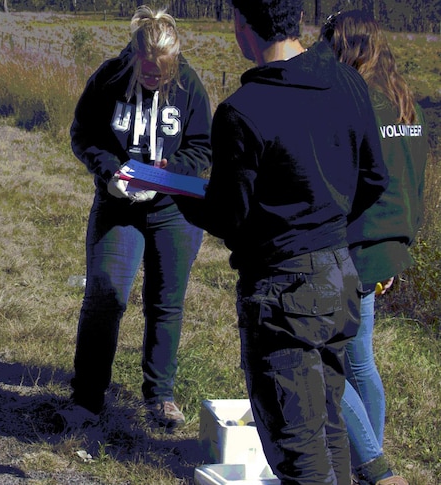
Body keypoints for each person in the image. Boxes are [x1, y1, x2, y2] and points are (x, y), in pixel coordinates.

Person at [169, 0, 388, 483]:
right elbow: (375, 177)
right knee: (329, 426)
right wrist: (326, 221)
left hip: (282, 293)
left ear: (243, 26)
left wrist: (177, 193)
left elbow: (228, 216)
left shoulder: (244, 111)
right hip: (339, 279)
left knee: (300, 451)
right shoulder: (347, 82)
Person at [61, 5, 212, 430]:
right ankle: (88, 398)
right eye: (148, 72)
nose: (155, 80)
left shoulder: (189, 86)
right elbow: (83, 134)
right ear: (135, 54)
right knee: (105, 296)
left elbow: (203, 147)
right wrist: (109, 172)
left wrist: (173, 171)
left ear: (174, 63)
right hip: (118, 205)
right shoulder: (108, 78)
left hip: (173, 211)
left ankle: (160, 396)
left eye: (163, 74)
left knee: (166, 303)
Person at [321, 10, 428, 485]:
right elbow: (415, 180)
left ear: (346, 47)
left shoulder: (356, 101)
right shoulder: (407, 104)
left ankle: (376, 469)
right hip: (391, 240)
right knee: (360, 357)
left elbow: (346, 182)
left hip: (357, 243)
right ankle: (370, 460)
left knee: (326, 356)